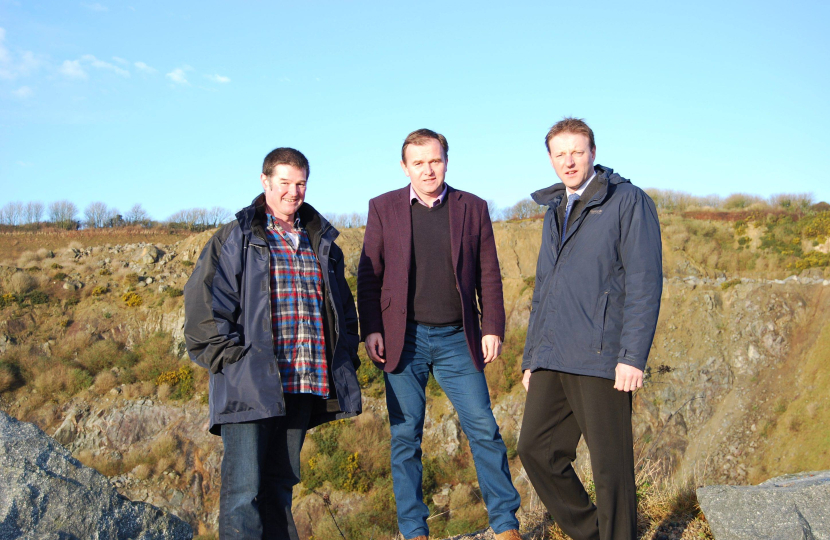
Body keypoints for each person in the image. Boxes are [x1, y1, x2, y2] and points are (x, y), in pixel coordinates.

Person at [183, 147, 362, 540]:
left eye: (300, 184)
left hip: (303, 381)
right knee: (242, 493)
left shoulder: (321, 241)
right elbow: (203, 308)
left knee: (280, 489)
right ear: (265, 182)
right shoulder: (235, 237)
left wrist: (345, 354)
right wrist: (234, 362)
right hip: (250, 384)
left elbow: (343, 310)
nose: (293, 192)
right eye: (284, 183)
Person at [357, 129, 522, 540]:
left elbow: (489, 272)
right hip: (402, 340)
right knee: (405, 438)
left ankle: (505, 525)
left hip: (457, 338)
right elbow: (368, 274)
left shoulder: (473, 207)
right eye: (419, 162)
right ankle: (414, 531)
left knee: (483, 428)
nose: (428, 169)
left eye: (435, 160)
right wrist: (371, 328)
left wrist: (492, 327)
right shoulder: (383, 208)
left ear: (446, 160)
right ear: (404, 166)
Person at [517, 118, 663, 540]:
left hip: (603, 355)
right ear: (550, 158)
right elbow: (544, 289)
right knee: (536, 450)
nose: (569, 161)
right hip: (553, 355)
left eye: (577, 151)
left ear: (593, 153)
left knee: (609, 465)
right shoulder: (553, 210)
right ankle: (593, 533)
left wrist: (632, 356)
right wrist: (532, 359)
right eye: (560, 154)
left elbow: (644, 281)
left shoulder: (627, 201)